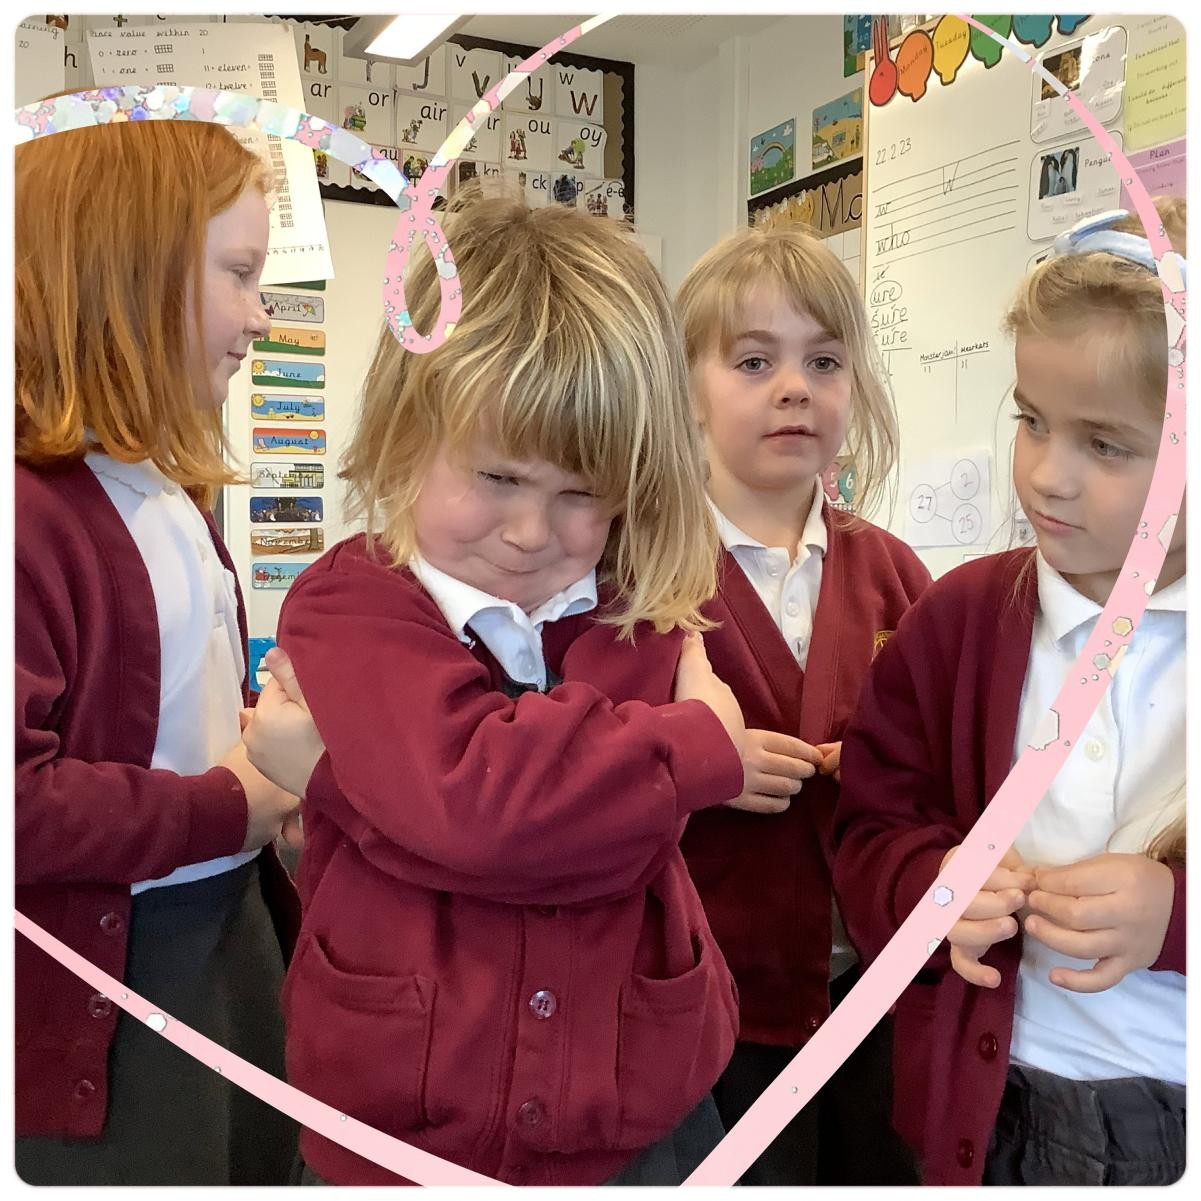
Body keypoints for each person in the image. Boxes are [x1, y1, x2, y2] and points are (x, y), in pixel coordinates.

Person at [242, 189, 753, 1186]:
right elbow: (486, 812)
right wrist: (699, 746)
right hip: (396, 1131)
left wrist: (339, 780)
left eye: (579, 494)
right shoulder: (351, 601)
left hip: (631, 1111)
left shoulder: (638, 600)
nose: (529, 535)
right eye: (497, 479)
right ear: (404, 438)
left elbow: (613, 840)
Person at [833, 199, 1187, 1185]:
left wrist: (1175, 915)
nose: (1045, 476)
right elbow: (869, 827)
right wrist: (927, 887)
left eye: (1103, 445)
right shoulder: (959, 621)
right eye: (1030, 421)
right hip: (994, 1108)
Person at [15, 111, 302, 1184]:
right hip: (112, 972)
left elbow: (161, 713)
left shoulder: (164, 488)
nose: (260, 313)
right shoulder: (29, 516)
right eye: (238, 273)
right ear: (125, 277)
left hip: (223, 926)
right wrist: (233, 800)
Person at [673, 225, 930, 1184]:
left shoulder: (891, 573)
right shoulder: (641, 570)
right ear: (684, 386)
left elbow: (936, 769)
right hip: (707, 1008)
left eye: (823, 360)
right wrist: (699, 761)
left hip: (870, 995)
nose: (795, 387)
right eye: (753, 360)